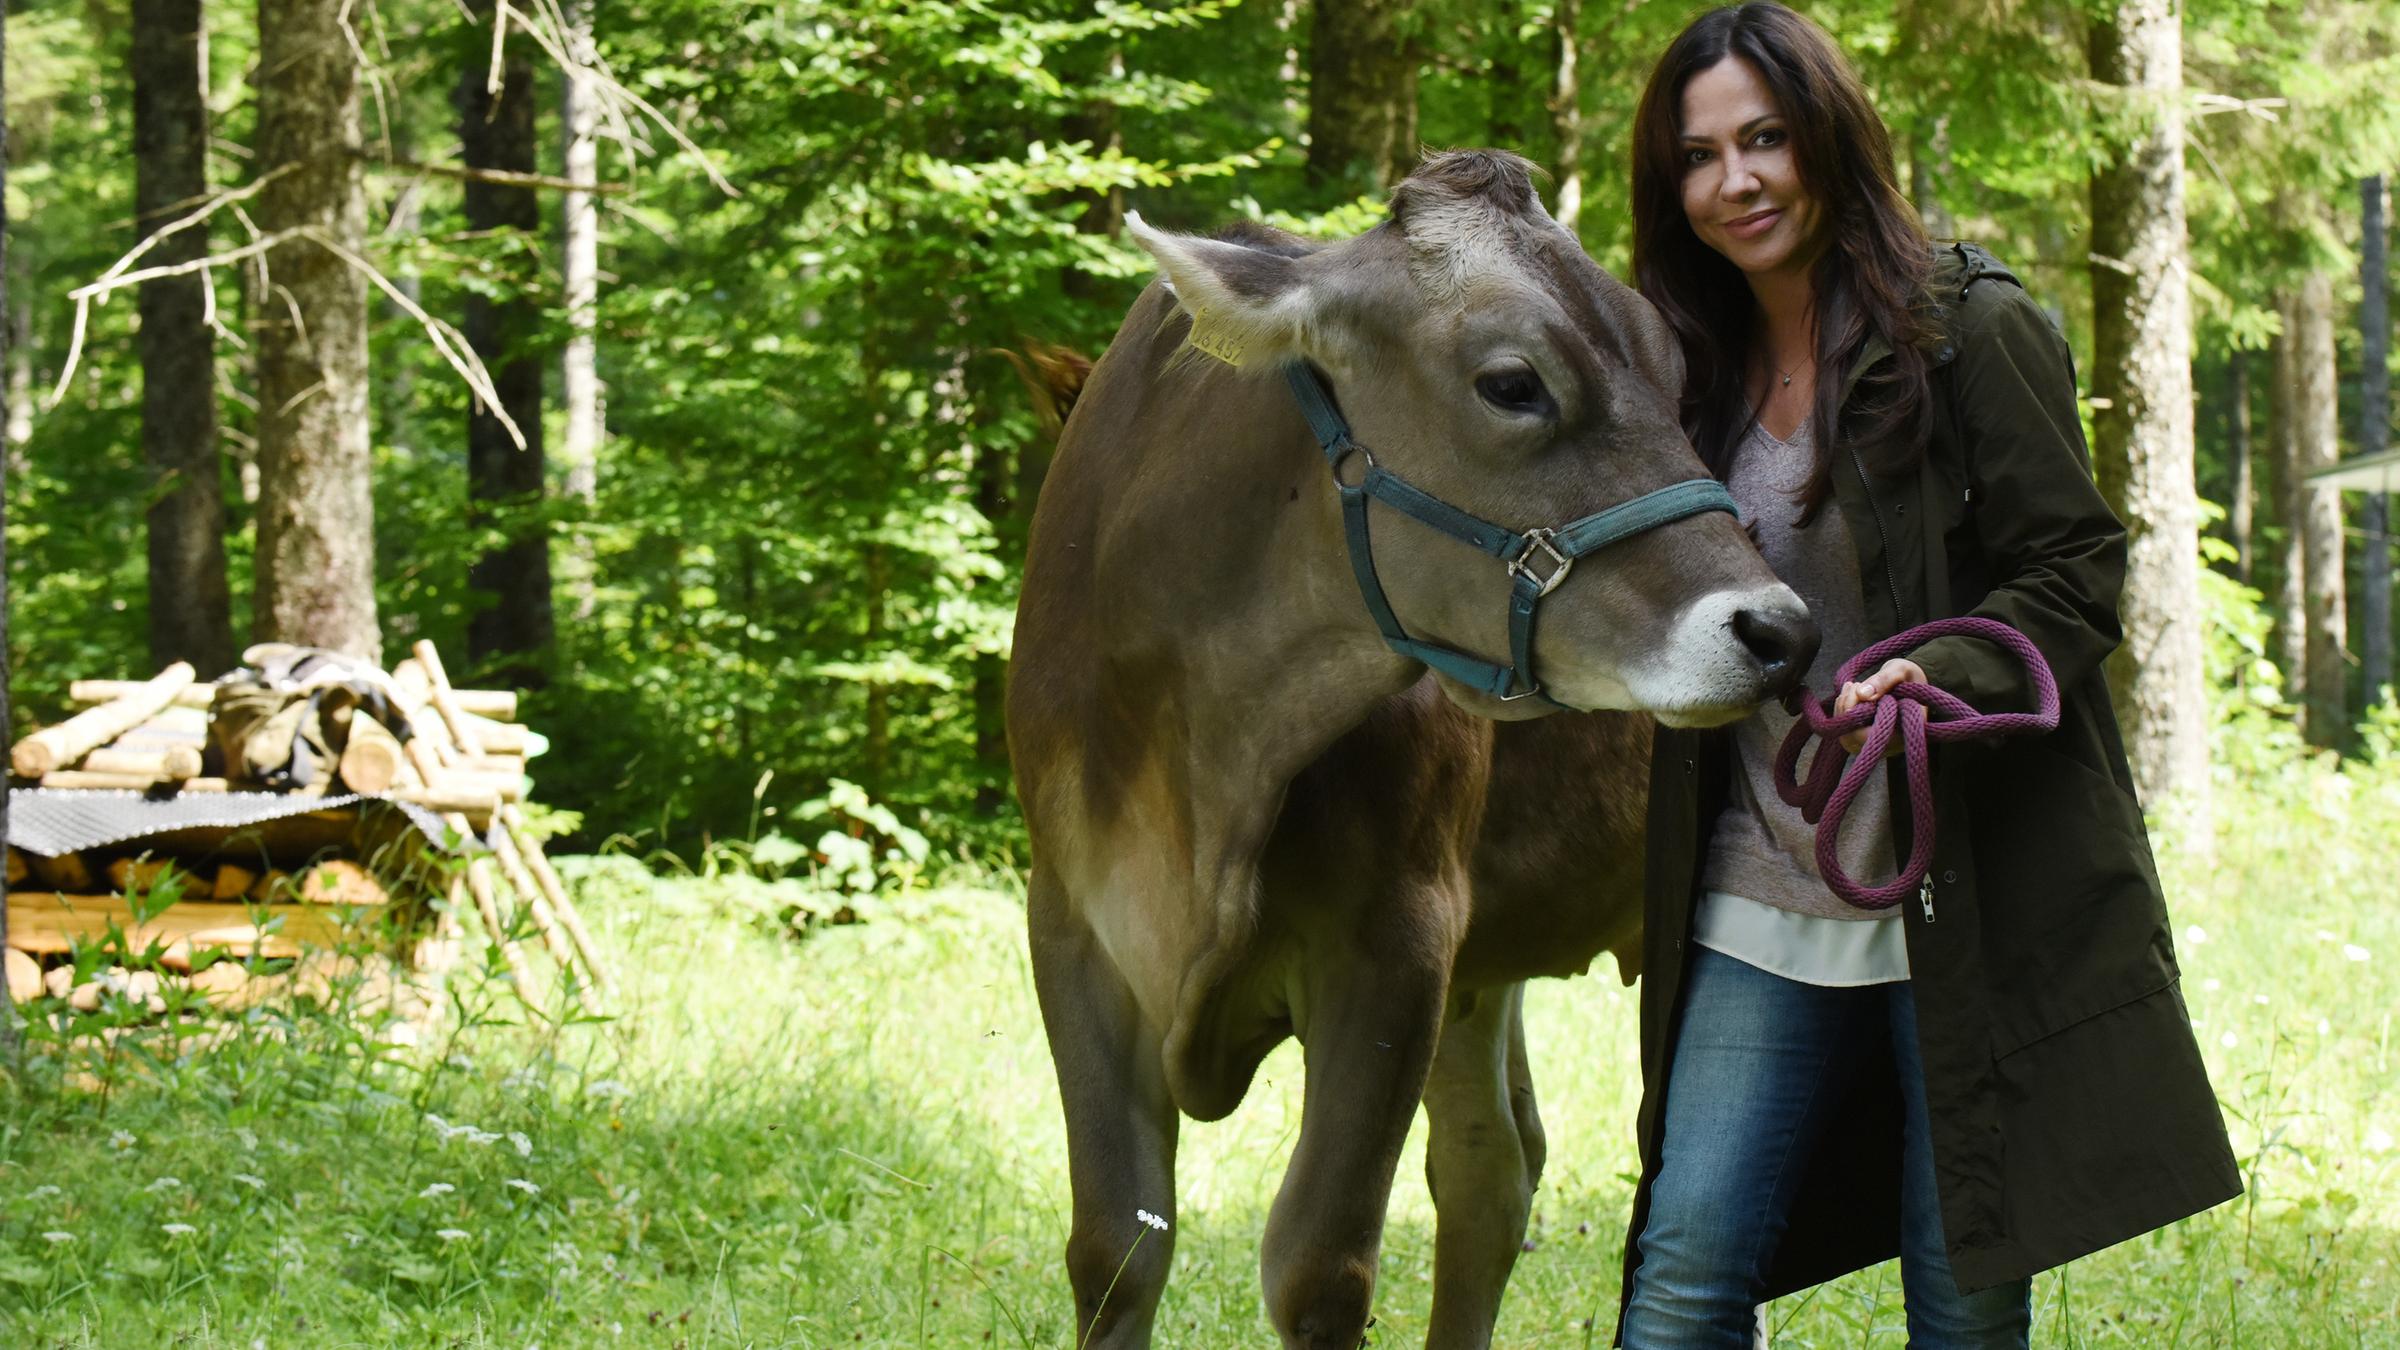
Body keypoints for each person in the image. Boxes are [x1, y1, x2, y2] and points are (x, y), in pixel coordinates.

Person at [1612, 5, 2240, 1346]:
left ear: (1829, 133)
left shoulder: (1972, 326)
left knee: (1962, 1293)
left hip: (1962, 888)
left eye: (1766, 137)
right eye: (1701, 154)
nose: (1739, 179)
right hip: (1754, 879)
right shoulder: (1681, 376)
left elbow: (2073, 571)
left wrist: (1931, 676)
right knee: (1681, 1271)